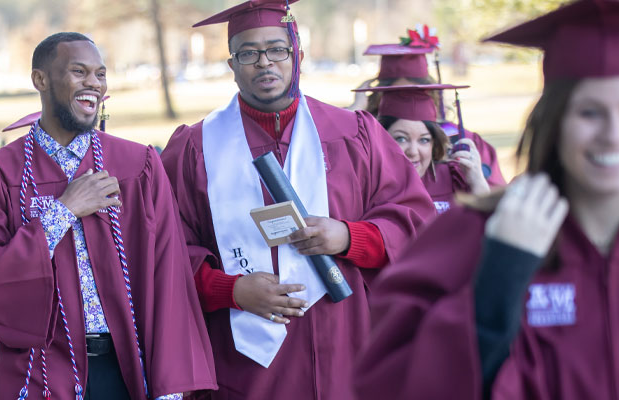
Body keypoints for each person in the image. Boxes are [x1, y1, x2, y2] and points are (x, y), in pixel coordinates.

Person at [354, 1, 619, 399]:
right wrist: (499, 276)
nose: (614, 135)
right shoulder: (475, 235)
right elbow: (390, 384)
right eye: (589, 113)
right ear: (554, 121)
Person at [160, 1, 434, 399]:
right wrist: (229, 289)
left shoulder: (355, 136)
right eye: (248, 53)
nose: (264, 63)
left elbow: (415, 222)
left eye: (277, 49)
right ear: (232, 64)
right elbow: (164, 250)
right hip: (244, 368)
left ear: (298, 56)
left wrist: (348, 237)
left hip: (345, 349)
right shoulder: (194, 148)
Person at [0, 32, 216, 400]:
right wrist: (63, 212)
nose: (93, 82)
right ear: (40, 80)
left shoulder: (137, 166)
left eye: (100, 74)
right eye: (79, 71)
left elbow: (167, 276)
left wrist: (170, 388)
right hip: (41, 371)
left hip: (126, 371)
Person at [353, 28, 507, 186]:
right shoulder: (365, 141)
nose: (410, 100)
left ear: (432, 92)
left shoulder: (461, 139)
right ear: (378, 96)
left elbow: (493, 194)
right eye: (396, 94)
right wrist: (355, 109)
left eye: (418, 92)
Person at [354, 84, 491, 213]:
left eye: (424, 140)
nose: (413, 151)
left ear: (434, 144)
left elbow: (487, 227)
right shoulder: (366, 185)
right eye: (401, 139)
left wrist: (478, 182)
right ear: (380, 140)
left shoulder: (453, 178)